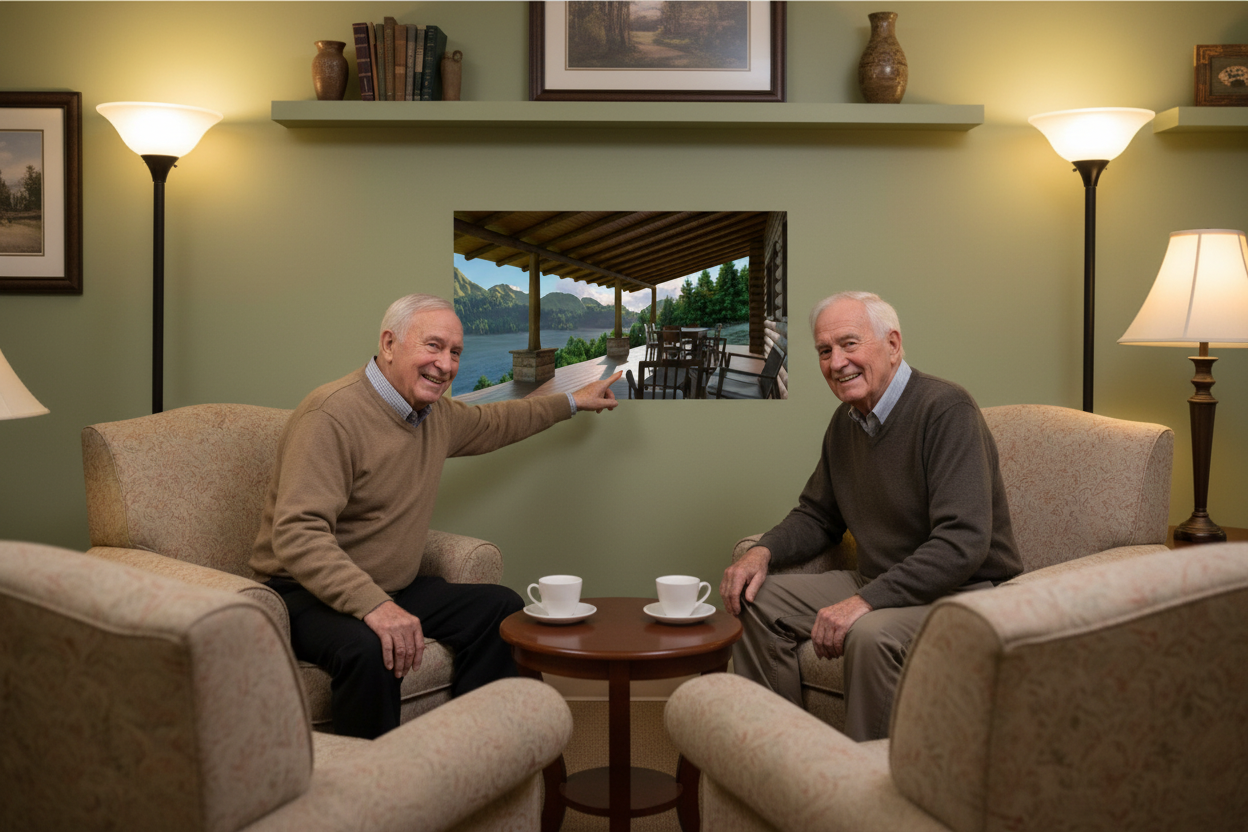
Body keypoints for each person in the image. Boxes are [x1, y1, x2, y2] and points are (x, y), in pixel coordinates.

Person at [251, 293, 621, 739]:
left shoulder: (433, 416)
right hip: (304, 594)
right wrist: (375, 607)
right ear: (389, 344)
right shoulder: (330, 414)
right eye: (433, 346)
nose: (445, 365)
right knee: (371, 648)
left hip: (390, 588)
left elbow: (500, 421)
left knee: (500, 609)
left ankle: (477, 749)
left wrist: (574, 401)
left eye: (455, 352)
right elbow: (297, 533)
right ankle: (370, 790)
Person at [720, 291, 1021, 742]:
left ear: (893, 345)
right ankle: (781, 754)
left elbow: (963, 542)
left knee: (869, 635)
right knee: (754, 600)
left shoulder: (946, 409)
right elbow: (818, 515)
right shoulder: (846, 423)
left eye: (849, 344)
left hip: (967, 591)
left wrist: (867, 601)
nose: (837, 362)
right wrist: (763, 552)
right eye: (825, 351)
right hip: (884, 580)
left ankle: (862, 790)